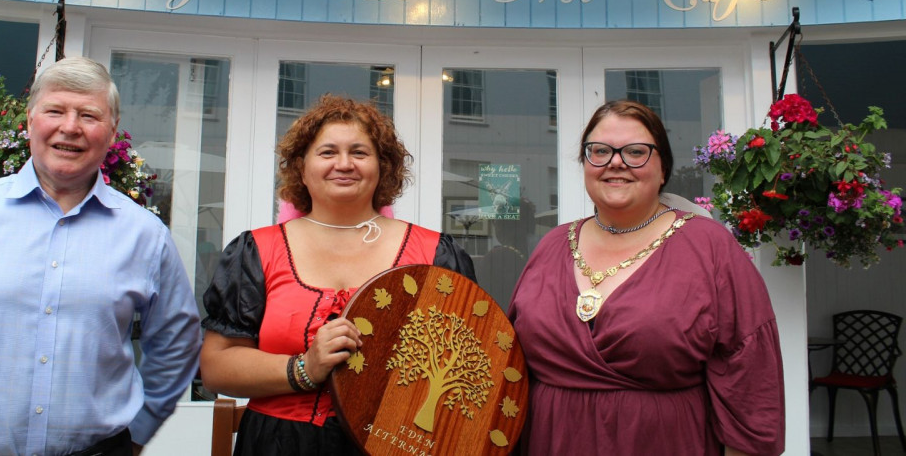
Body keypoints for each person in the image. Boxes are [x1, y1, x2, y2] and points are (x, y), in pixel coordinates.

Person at [0, 57, 202, 455]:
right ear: (29, 122)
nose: (70, 127)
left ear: (112, 132)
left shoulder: (146, 237)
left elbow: (175, 344)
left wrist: (138, 431)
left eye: (88, 115)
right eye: (55, 111)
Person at [200, 94, 475, 455]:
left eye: (359, 153)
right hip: (279, 445)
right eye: (328, 152)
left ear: (383, 167)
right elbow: (217, 367)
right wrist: (304, 368)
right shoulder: (256, 251)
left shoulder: (436, 254)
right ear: (301, 166)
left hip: (400, 444)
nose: (344, 164)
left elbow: (469, 365)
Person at [508, 100, 785, 455]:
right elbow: (509, 361)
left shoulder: (708, 246)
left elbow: (750, 376)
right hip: (553, 441)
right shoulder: (552, 246)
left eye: (636, 151)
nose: (616, 162)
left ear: (664, 167)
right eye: (599, 151)